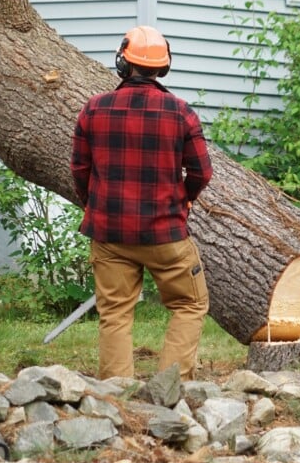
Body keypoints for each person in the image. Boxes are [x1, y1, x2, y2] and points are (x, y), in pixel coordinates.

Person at [71, 25, 213, 380]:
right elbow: (202, 173)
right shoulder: (181, 113)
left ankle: (116, 396)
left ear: (123, 62)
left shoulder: (93, 109)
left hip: (109, 234)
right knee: (190, 304)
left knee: (115, 313)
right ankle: (171, 388)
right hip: (165, 234)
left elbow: (79, 169)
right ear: (163, 67)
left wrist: (96, 205)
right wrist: (185, 198)